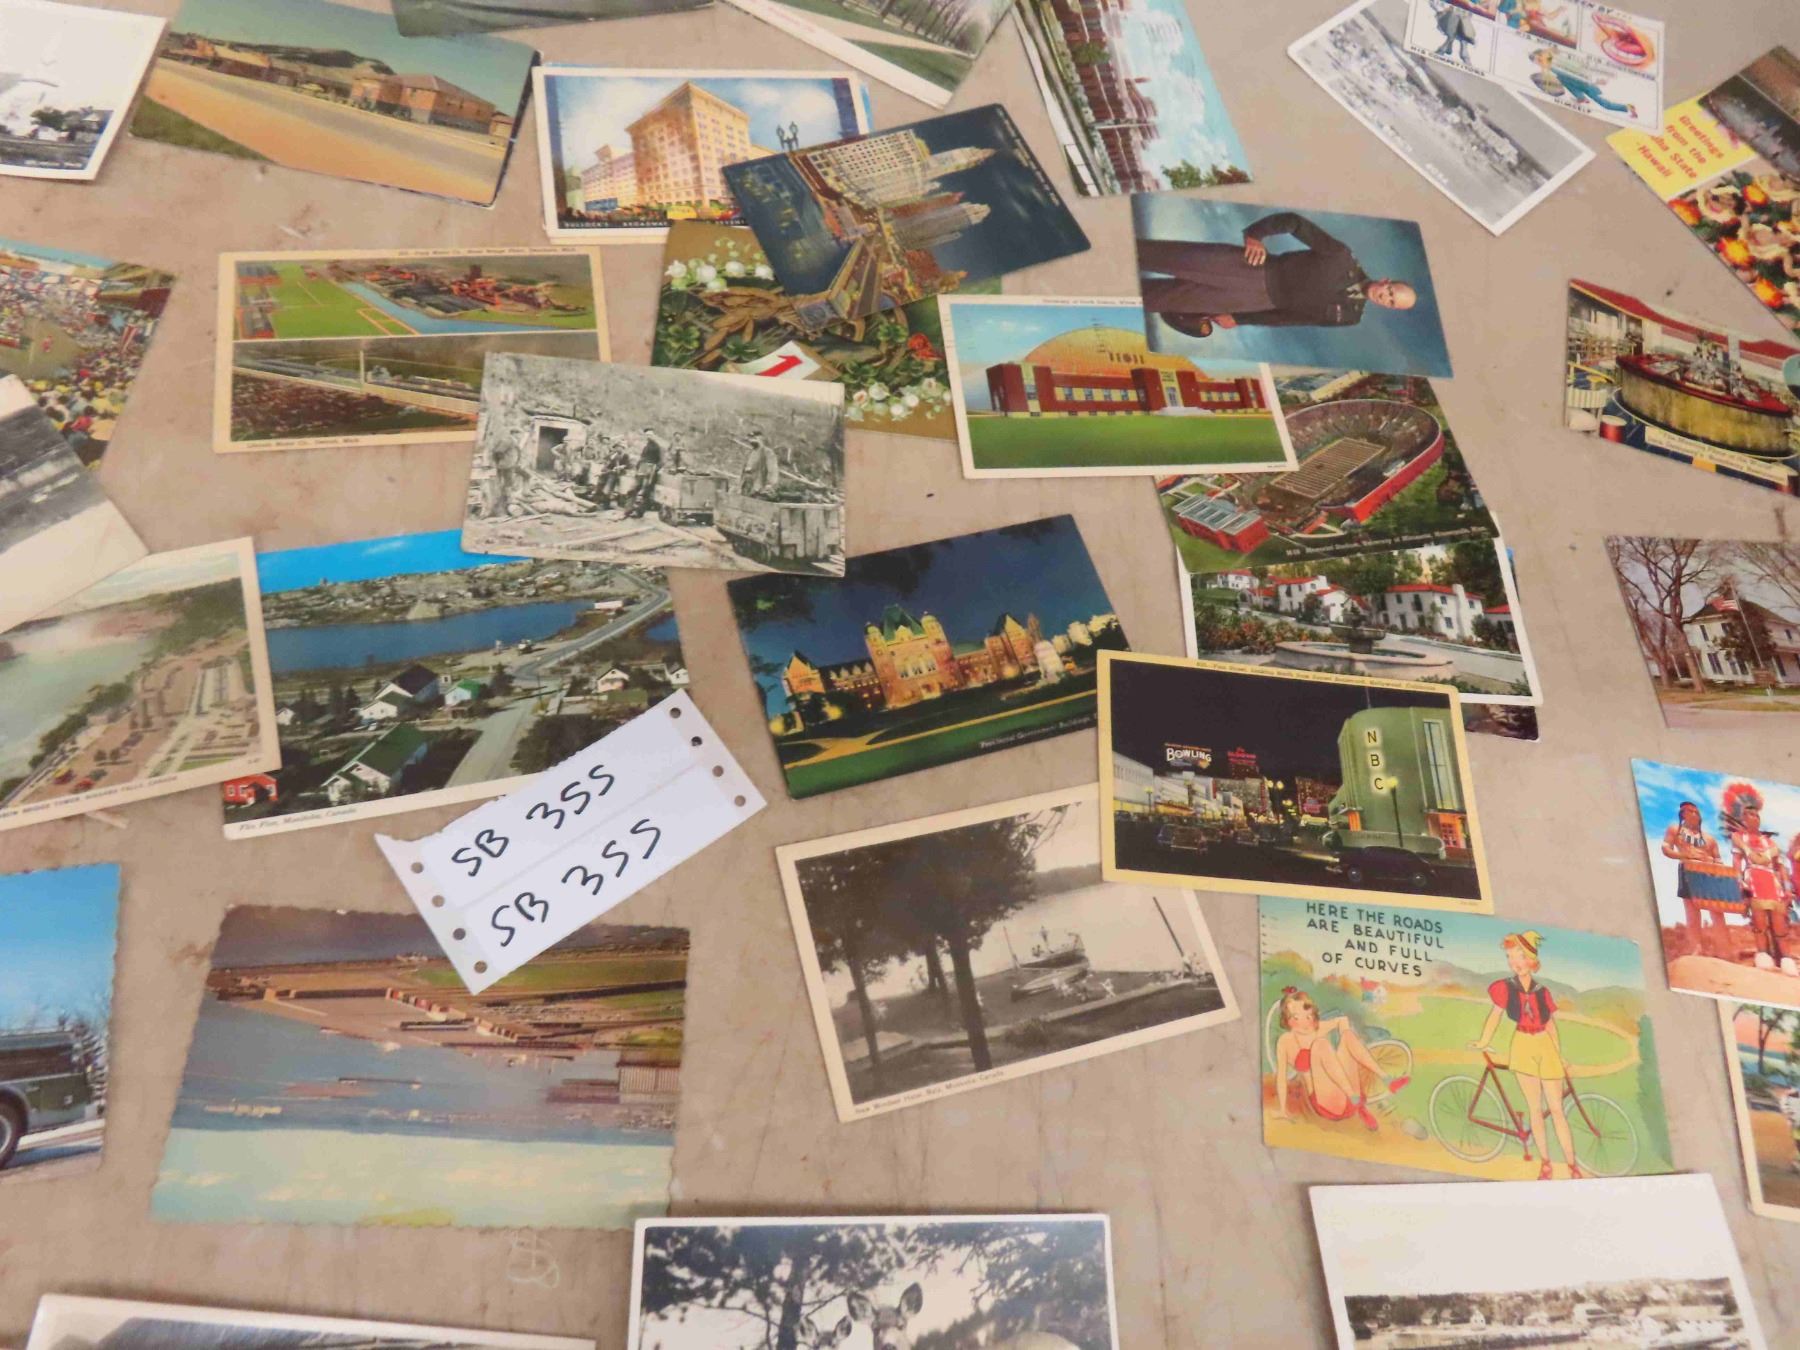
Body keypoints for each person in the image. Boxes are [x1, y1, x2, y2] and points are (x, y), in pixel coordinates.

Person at [1139, 211, 1418, 340]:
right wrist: (1255, 235)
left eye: (1392, 302)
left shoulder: (1349, 318)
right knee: (1150, 255)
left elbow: (1288, 318)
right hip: (1249, 267)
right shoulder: (1341, 257)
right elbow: (1295, 222)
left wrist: (1239, 319)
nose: (1386, 298)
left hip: (1248, 303)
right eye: (1391, 292)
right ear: (1386, 281)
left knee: (1152, 299)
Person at [1472, 931, 1583, 1180]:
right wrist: (1484, 1041)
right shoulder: (1505, 988)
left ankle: (1572, 1166)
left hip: (1544, 1044)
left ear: (1532, 960)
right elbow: (1494, 1016)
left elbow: (1551, 1025)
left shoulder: (1543, 992)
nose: (1515, 962)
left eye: (1520, 956)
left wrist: (1558, 1054)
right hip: (1522, 1045)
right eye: (1510, 957)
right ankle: (1546, 1164)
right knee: (1535, 1109)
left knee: (1556, 1109)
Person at [1271, 987, 1409, 1132]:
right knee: (1320, 1044)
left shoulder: (1317, 1028)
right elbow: (1281, 1076)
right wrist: (1282, 1110)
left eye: (1308, 1016)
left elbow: (1342, 1020)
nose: (1305, 1023)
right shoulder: (1285, 1042)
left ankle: (1386, 1079)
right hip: (1327, 1103)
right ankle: (1354, 1099)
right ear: (1286, 1019)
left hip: (1349, 1099)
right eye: (1296, 1018)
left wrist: (1345, 1040)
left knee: (1347, 1035)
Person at [1724, 782, 1797, 975]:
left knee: (1779, 924)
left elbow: (1780, 866)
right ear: (1743, 818)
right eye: (1749, 815)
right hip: (1753, 881)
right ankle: (1763, 955)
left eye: (1756, 815)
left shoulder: (1770, 842)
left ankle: (1786, 960)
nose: (1754, 818)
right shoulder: (1739, 838)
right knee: (1760, 923)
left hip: (1773, 884)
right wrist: (1739, 880)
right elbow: (1737, 861)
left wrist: (1787, 887)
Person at [1663, 800, 1725, 950]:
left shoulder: (1709, 838)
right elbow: (1666, 848)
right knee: (1692, 912)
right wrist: (1684, 855)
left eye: (1697, 812)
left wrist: (1714, 863)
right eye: (1690, 811)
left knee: (1717, 912)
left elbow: (1718, 859)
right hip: (1688, 870)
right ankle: (1696, 948)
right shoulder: (1675, 830)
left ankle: (1724, 949)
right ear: (1683, 814)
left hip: (1709, 873)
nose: (1695, 814)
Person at [1528, 47, 1637, 119]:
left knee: (1606, 105)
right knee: (1605, 105)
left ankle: (1628, 108)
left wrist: (1595, 81)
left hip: (1587, 84)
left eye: (1539, 60)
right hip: (1582, 85)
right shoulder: (1555, 71)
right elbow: (1570, 85)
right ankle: (1628, 108)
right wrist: (1580, 98)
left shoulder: (1559, 64)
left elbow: (1579, 71)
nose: (1539, 64)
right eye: (1537, 62)